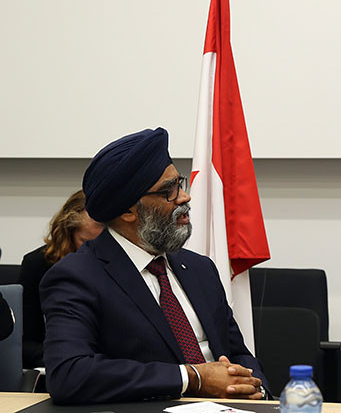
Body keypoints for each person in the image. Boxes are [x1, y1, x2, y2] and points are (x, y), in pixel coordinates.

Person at [40, 127, 270, 404]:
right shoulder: (77, 277)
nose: (184, 197)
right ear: (128, 211)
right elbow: (69, 374)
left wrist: (256, 389)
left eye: (179, 184)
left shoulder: (200, 269)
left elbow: (238, 353)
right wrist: (192, 378)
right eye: (168, 192)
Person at [20, 189, 103, 368]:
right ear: (68, 233)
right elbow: (25, 344)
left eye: (103, 244)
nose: (95, 252)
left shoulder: (122, 266)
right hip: (59, 364)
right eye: (85, 242)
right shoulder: (38, 265)